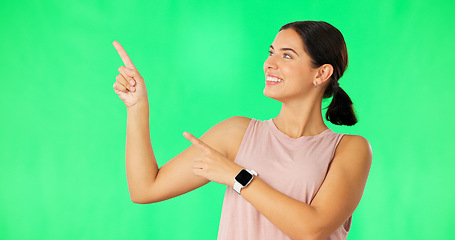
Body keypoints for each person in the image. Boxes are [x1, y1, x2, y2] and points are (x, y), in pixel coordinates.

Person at [112, 20, 372, 240]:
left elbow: (312, 229)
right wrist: (137, 108)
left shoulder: (349, 149)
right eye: (271, 52)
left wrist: (237, 176)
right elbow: (145, 189)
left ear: (321, 73)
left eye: (287, 55)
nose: (269, 63)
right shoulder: (236, 133)